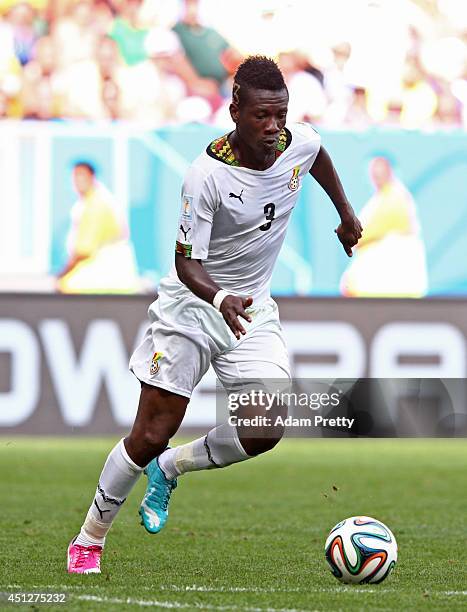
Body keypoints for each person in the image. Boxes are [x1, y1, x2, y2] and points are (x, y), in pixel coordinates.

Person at [67, 56, 362, 574]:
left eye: (281, 115)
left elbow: (317, 157)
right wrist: (219, 296)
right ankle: (90, 537)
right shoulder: (206, 176)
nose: (273, 128)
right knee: (151, 430)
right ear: (235, 111)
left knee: (264, 427)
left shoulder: (299, 141)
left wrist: (346, 213)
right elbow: (186, 262)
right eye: (261, 117)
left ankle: (172, 466)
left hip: (252, 308)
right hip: (193, 309)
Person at [340, 156, 427, 297]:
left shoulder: (395, 197)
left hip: (391, 284)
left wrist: (350, 237)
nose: (376, 176)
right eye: (373, 173)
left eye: (380, 172)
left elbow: (360, 236)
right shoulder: (382, 198)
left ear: (390, 172)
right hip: (384, 286)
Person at [57, 161, 140, 294]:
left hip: (107, 274)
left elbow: (84, 250)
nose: (77, 181)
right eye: (75, 177)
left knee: (65, 285)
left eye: (81, 176)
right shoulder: (97, 200)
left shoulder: (96, 204)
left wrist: (62, 274)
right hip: (113, 274)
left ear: (91, 177)